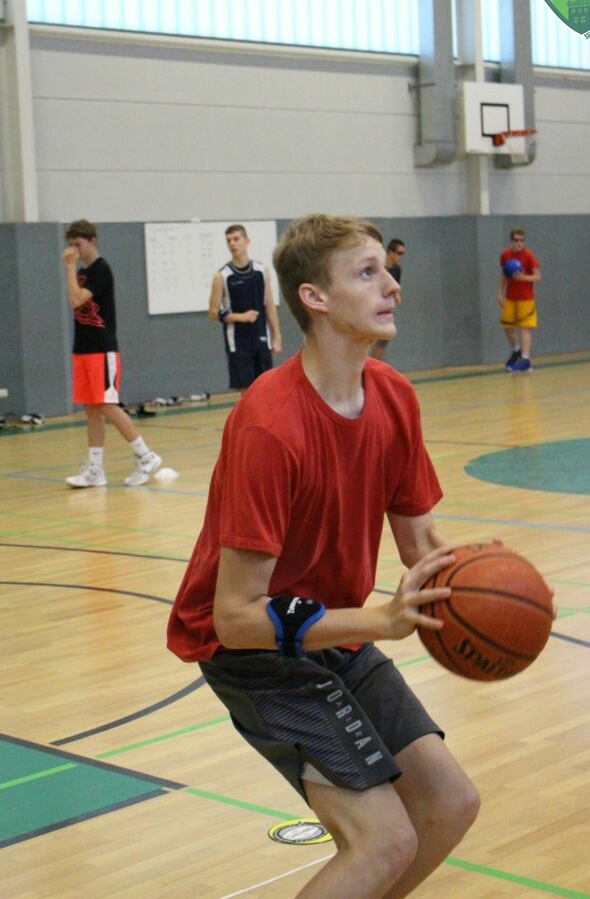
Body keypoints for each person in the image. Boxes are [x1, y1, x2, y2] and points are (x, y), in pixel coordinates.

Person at [168, 214, 481, 899]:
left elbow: (421, 545)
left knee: (449, 803)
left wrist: (480, 582)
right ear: (314, 297)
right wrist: (380, 622)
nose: (391, 285)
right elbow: (235, 618)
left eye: (386, 270)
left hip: (329, 632)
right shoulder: (269, 424)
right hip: (253, 654)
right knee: (383, 840)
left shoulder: (393, 396)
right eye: (367, 273)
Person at [62, 220, 162, 488]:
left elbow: (75, 299)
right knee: (91, 408)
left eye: (77, 244)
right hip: (82, 348)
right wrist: (73, 270)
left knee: (106, 404)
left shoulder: (101, 269)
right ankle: (95, 469)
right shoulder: (82, 272)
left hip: (101, 348)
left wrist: (69, 267)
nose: (73, 250)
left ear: (92, 241)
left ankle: (146, 455)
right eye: (70, 245)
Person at [208, 224, 282, 396]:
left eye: (236, 239)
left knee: (266, 387)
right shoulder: (222, 276)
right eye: (228, 240)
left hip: (261, 336)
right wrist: (240, 317)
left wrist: (277, 336)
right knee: (247, 391)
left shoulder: (261, 271)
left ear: (247, 241)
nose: (232, 244)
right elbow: (213, 313)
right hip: (238, 341)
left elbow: (269, 304)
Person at [498, 228, 541, 372]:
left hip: (526, 299)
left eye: (522, 240)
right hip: (510, 297)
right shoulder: (505, 255)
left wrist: (523, 277)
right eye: (516, 240)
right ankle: (516, 350)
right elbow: (503, 276)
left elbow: (537, 277)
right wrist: (499, 293)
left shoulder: (529, 255)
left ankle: (526, 359)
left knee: (524, 328)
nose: (519, 243)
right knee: (507, 326)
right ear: (511, 241)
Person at [370, 238, 406, 361]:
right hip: (371, 305)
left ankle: (375, 365)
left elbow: (395, 289)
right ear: (390, 252)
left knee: (384, 338)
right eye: (399, 253)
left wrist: (396, 296)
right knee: (367, 336)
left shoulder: (397, 269)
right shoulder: (378, 266)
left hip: (384, 308)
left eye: (403, 254)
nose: (401, 257)